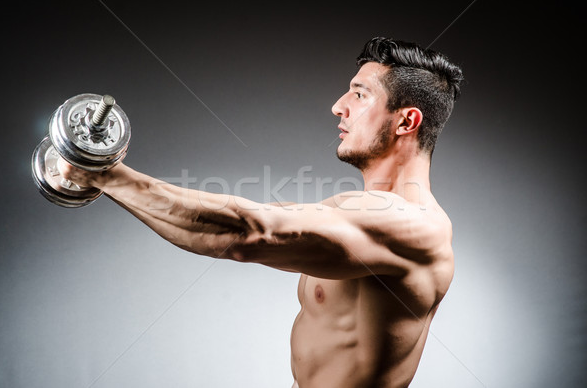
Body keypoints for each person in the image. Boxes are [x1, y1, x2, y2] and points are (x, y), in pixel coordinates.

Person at [58, 37, 463, 388]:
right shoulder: (353, 212)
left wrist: (107, 176)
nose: (339, 106)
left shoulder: (413, 226)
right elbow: (240, 217)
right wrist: (103, 181)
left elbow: (246, 234)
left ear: (406, 120)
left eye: (360, 94)